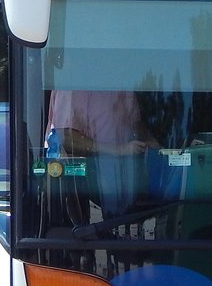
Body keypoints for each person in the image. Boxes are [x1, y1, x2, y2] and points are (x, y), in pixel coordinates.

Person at [45, 89, 157, 218]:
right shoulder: (71, 84)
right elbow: (65, 138)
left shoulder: (124, 83)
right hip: (84, 184)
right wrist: (119, 150)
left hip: (125, 184)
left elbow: (135, 124)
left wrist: (158, 146)